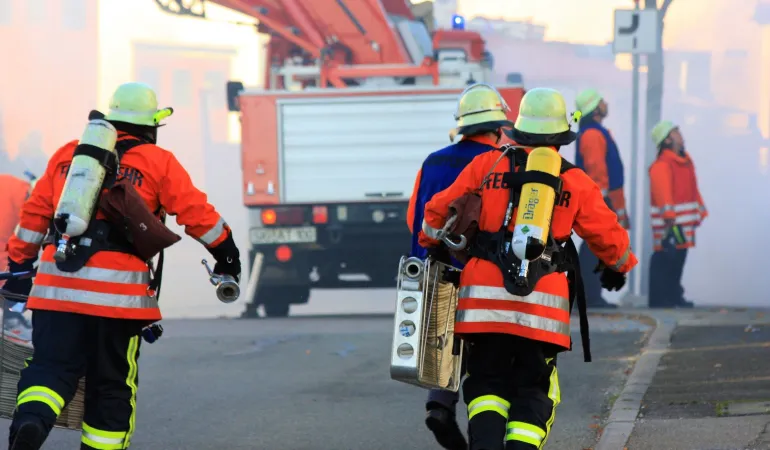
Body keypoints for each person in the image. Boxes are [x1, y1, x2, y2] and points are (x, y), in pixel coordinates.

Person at [2, 81, 242, 450]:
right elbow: (196, 214)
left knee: (50, 370)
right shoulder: (159, 161)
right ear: (151, 126)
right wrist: (227, 253)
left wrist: (18, 269)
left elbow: (34, 215)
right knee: (111, 385)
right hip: (117, 300)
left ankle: (32, 421)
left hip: (56, 291)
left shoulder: (69, 154)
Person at [419, 87, 637, 449]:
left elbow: (436, 213)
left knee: (487, 383)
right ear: (560, 136)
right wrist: (618, 267)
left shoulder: (486, 165)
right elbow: (610, 238)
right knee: (534, 388)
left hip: (482, 307)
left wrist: (432, 244)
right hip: (542, 309)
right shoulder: (575, 181)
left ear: (518, 129)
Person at [407, 83, 514, 450]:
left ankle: (440, 404)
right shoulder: (500, 163)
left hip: (433, 265)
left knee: (445, 341)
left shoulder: (433, 161)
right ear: (498, 126)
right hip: (483, 271)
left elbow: (414, 219)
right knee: (484, 352)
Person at [574, 89, 630, 308]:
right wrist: (603, 205)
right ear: (595, 108)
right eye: (601, 102)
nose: (605, 104)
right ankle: (589, 296)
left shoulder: (594, 132)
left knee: (595, 249)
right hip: (598, 202)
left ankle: (591, 295)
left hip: (599, 201)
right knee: (592, 250)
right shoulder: (592, 135)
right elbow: (596, 172)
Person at [648, 120, 706, 309]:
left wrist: (699, 210)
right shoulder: (662, 165)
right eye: (675, 132)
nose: (680, 135)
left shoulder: (684, 162)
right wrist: (669, 218)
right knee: (666, 258)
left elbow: (692, 189)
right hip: (671, 224)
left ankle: (672, 295)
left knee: (678, 258)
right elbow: (663, 193)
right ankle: (661, 298)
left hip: (682, 223)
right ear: (667, 140)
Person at [0, 175, 35, 343]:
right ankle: (10, 320)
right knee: (18, 269)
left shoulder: (14, 189)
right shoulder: (9, 200)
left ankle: (12, 316)